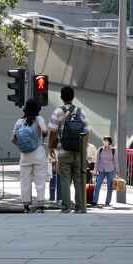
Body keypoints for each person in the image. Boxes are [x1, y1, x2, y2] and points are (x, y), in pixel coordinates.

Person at [49, 86, 90, 214]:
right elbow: (87, 131)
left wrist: (51, 147)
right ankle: (79, 206)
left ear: (62, 97)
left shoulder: (57, 112)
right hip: (78, 151)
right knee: (78, 178)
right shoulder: (80, 111)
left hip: (64, 150)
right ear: (73, 97)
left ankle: (66, 206)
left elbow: (53, 131)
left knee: (65, 178)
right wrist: (84, 150)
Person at [11, 99, 49, 213]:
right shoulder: (39, 119)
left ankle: (26, 206)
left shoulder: (19, 122)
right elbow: (45, 131)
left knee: (25, 180)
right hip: (38, 153)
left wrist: (22, 145)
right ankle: (40, 205)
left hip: (25, 155)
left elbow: (13, 139)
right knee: (40, 179)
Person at [92, 136, 117, 208]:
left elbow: (115, 162)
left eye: (106, 141)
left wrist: (117, 172)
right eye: (104, 140)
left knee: (110, 187)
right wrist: (95, 170)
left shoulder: (113, 150)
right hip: (101, 170)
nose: (104, 142)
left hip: (110, 170)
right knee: (97, 185)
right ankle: (94, 201)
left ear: (109, 142)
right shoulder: (100, 150)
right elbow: (97, 161)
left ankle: (107, 202)